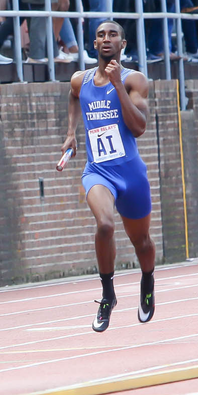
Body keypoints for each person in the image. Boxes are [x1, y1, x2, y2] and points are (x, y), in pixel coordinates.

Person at [60, 21, 157, 331]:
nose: (106, 39)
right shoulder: (80, 79)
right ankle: (107, 294)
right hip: (98, 171)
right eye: (101, 34)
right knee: (104, 224)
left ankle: (147, 280)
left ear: (122, 43)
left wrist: (117, 85)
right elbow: (74, 97)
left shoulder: (134, 80)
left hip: (131, 174)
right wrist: (71, 132)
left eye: (112, 34)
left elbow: (139, 127)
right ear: (94, 43)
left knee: (141, 242)